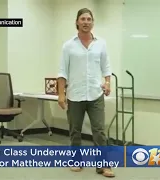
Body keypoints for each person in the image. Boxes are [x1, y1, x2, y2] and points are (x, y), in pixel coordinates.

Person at [57, 8, 115, 177]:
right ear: (77, 22)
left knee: (99, 131)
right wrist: (61, 94)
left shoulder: (101, 44)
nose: (86, 22)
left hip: (96, 94)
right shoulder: (68, 46)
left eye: (89, 19)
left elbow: (106, 67)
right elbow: (62, 72)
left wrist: (107, 83)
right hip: (75, 94)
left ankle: (103, 165)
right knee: (75, 130)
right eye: (82, 19)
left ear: (92, 22)